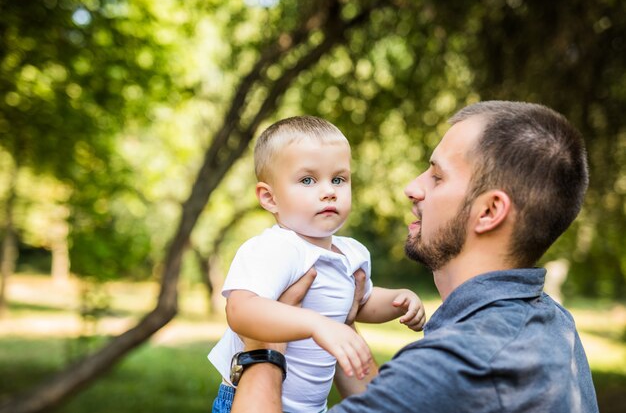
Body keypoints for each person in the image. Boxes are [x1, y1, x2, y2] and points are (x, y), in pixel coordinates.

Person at [229, 101, 600, 413]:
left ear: (488, 212)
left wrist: (263, 349)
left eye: (437, 177)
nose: (412, 188)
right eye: (308, 180)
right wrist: (337, 320)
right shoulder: (554, 324)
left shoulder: (456, 367)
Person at [208, 116, 426, 413]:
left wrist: (399, 301)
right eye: (307, 180)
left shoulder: (352, 253)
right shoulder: (276, 248)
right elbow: (240, 310)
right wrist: (315, 325)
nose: (329, 191)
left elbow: (359, 304)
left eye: (338, 179)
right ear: (270, 198)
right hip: (247, 400)